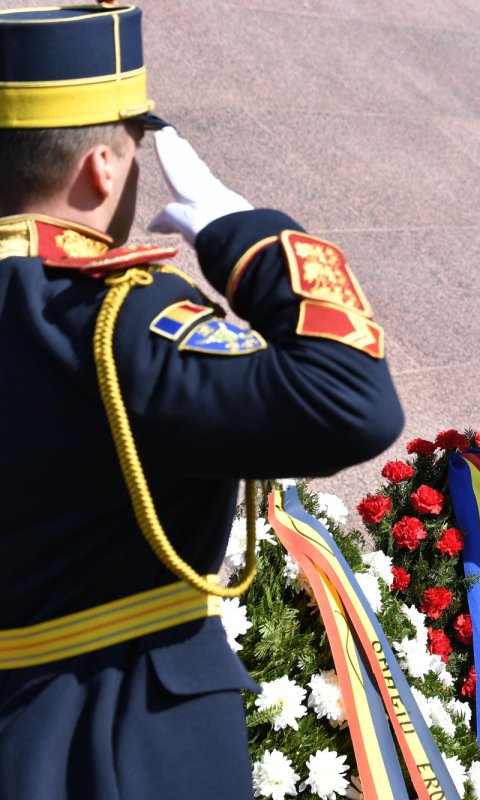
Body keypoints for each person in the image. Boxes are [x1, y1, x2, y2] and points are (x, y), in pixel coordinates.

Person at [0, 5, 403, 798]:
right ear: (102, 171)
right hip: (119, 745)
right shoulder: (118, 318)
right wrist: (249, 239)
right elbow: (352, 399)